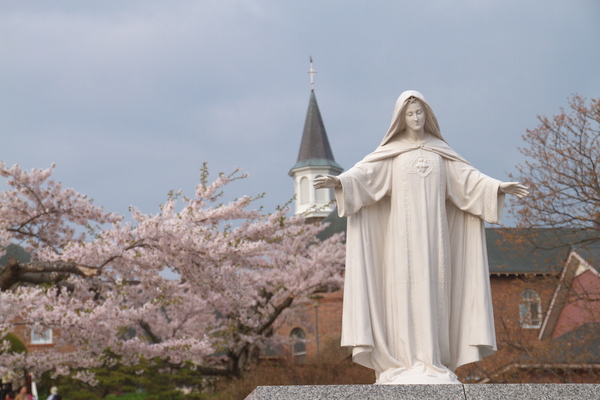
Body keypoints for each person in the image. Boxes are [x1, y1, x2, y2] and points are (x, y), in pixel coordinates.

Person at [314, 90, 528, 384]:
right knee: (401, 296)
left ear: (428, 115)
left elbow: (468, 182)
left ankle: (432, 361)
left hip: (436, 242)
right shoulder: (392, 154)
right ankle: (403, 361)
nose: (415, 118)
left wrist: (498, 188)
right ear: (401, 119)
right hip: (400, 242)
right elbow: (364, 177)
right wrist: (338, 182)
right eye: (410, 114)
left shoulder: (441, 154)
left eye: (419, 113)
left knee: (435, 295)